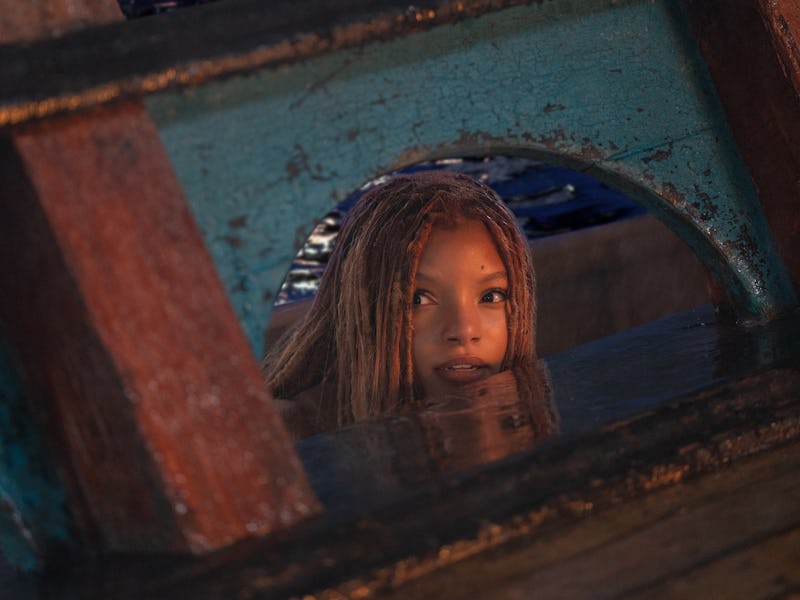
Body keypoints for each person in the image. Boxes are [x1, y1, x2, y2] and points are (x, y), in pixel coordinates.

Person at [263, 169, 558, 440]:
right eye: (419, 299)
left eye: (491, 296)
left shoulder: (533, 421)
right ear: (363, 311)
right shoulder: (297, 434)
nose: (464, 330)